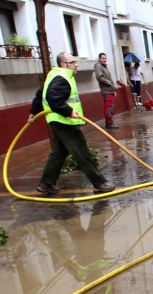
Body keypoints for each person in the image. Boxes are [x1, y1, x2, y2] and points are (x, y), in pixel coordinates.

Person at [28, 52, 115, 194]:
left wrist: (33, 111)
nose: (76, 64)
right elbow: (53, 98)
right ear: (64, 64)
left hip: (57, 121)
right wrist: (68, 111)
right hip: (64, 122)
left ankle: (46, 184)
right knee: (81, 151)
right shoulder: (61, 78)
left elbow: (41, 93)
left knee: (59, 152)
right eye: (72, 62)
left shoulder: (54, 75)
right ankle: (99, 183)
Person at [94, 53, 119, 129]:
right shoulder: (98, 66)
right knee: (109, 107)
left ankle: (109, 122)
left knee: (110, 106)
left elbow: (108, 78)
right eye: (103, 58)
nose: (104, 60)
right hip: (106, 90)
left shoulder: (104, 66)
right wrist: (109, 83)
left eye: (105, 58)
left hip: (109, 89)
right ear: (99, 59)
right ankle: (109, 123)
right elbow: (99, 77)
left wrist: (113, 88)